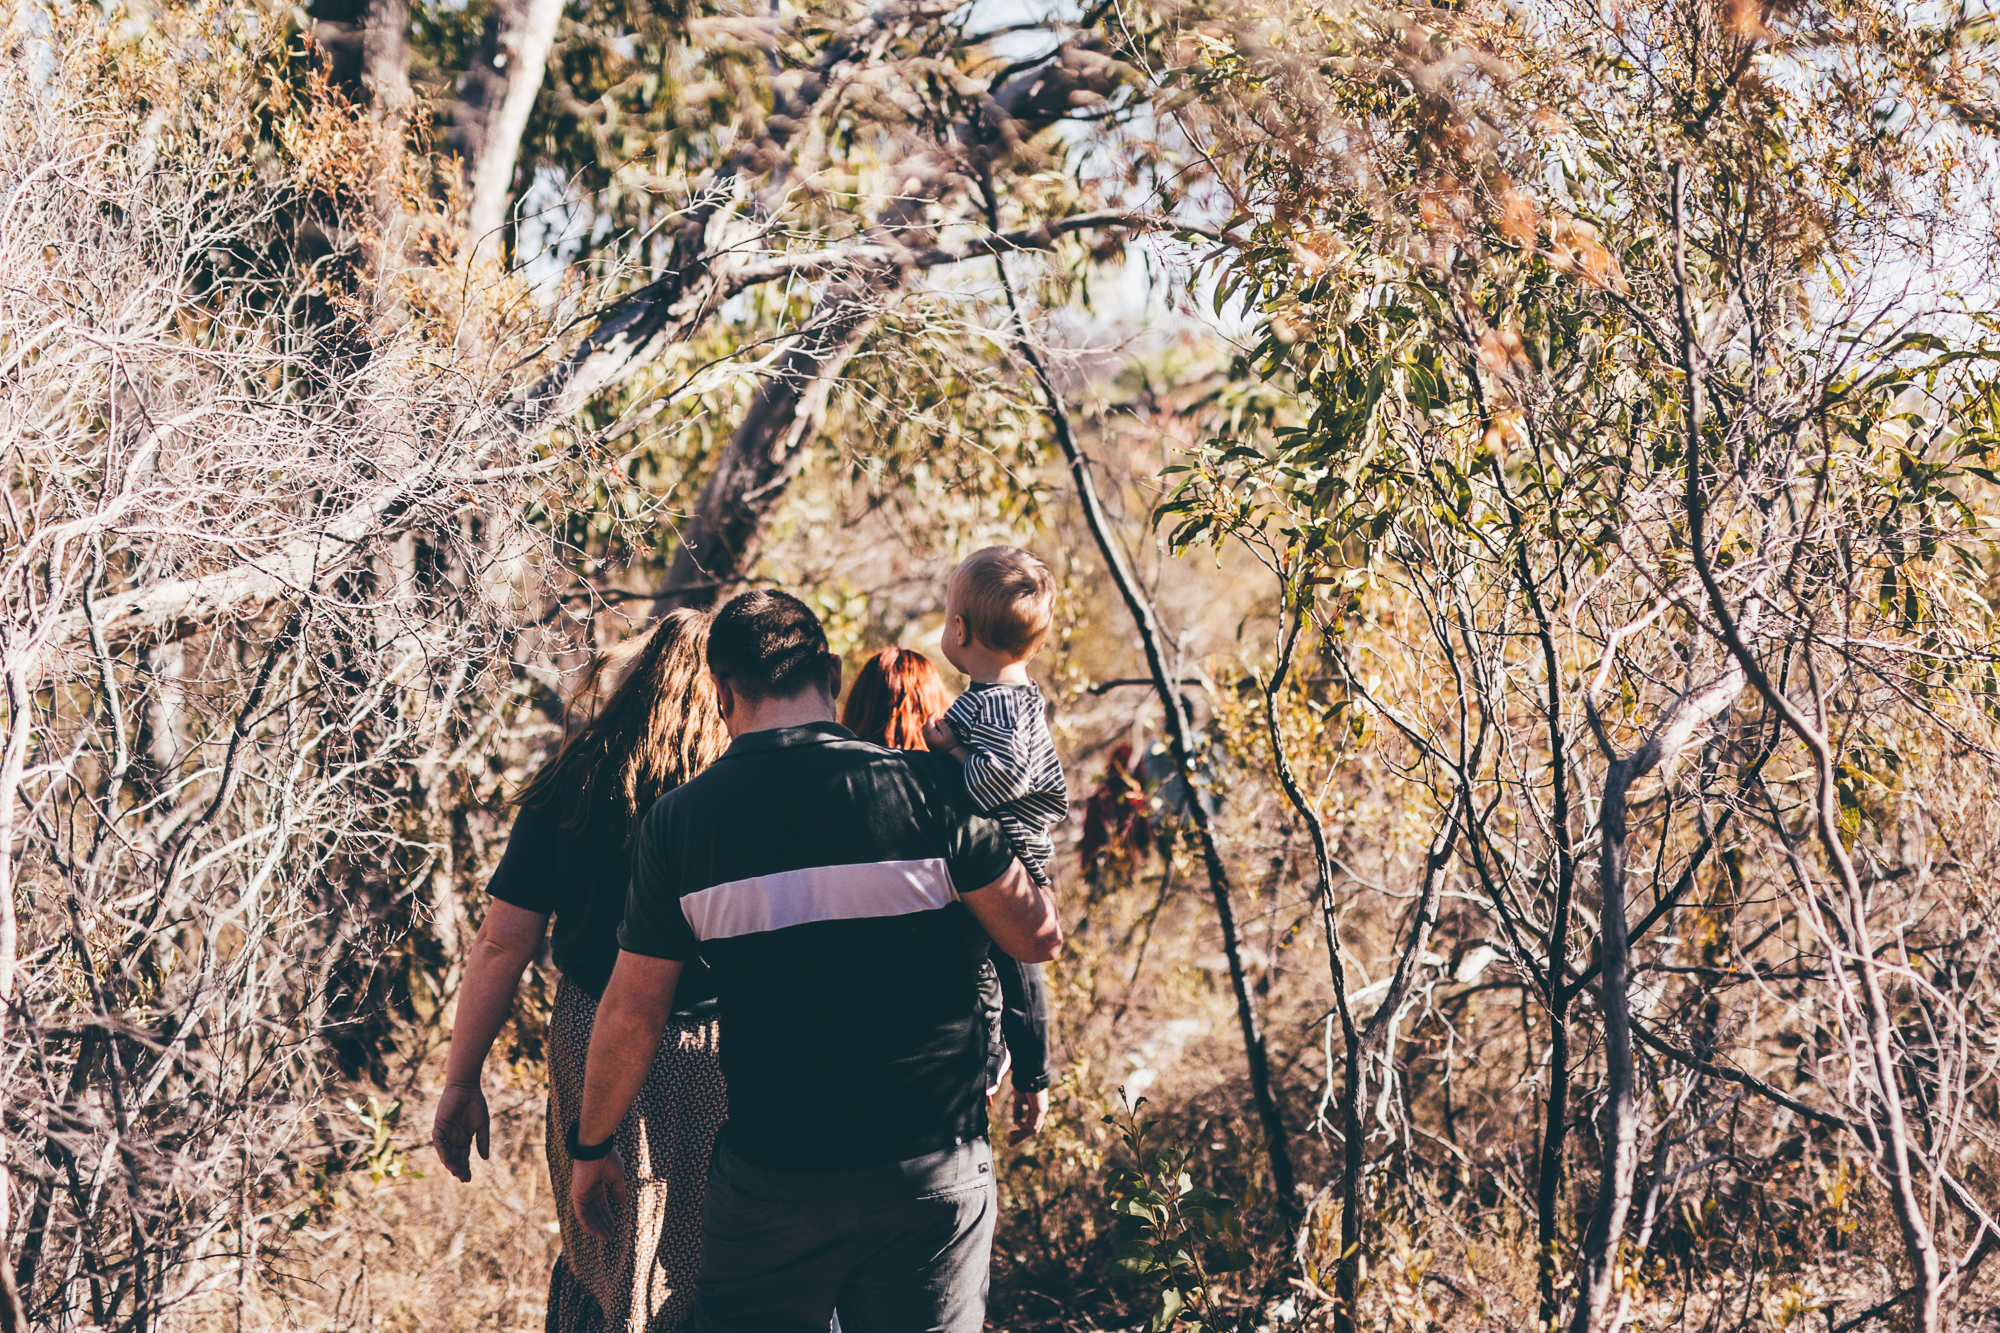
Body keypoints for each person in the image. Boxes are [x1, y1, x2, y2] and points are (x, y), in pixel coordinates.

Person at [568, 590, 1062, 1333]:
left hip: (777, 1179)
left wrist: (593, 1143)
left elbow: (633, 1011)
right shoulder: (926, 788)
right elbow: (1037, 937)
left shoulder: (683, 823)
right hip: (932, 1167)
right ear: (830, 674)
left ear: (722, 692)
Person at [431, 610, 730, 1333]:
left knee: (609, 1242)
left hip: (594, 1033)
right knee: (713, 1250)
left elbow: (503, 942)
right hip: (723, 1044)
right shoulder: (735, 790)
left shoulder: (576, 776)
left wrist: (461, 1078)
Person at [843, 646, 1052, 1146]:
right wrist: (1032, 1072)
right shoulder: (964, 800)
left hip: (849, 1048)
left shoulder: (838, 798)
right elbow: (1018, 951)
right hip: (955, 1052)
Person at [920, 547, 1069, 891]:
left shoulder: (1000, 703)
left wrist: (953, 749)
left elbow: (1006, 777)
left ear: (960, 630)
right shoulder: (1011, 696)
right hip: (1003, 857)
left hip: (1009, 860)